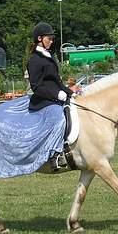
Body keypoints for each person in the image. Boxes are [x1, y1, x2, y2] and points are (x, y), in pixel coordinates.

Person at [27, 22, 74, 168]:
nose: (52, 41)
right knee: (57, 117)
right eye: (49, 39)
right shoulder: (35, 60)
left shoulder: (49, 56)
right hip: (43, 100)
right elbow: (36, 86)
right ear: (40, 38)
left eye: (52, 39)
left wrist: (70, 92)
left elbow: (57, 81)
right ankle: (53, 155)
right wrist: (56, 94)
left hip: (55, 97)